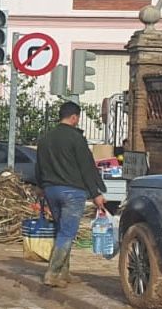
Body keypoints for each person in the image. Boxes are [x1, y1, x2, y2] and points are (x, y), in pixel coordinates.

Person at [36, 101, 107, 288]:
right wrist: (96, 193)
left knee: (61, 230)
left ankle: (64, 272)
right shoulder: (76, 139)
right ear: (74, 117)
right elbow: (87, 167)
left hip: (51, 190)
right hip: (72, 192)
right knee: (67, 232)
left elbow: (39, 166)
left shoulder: (45, 138)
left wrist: (40, 187)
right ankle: (52, 274)